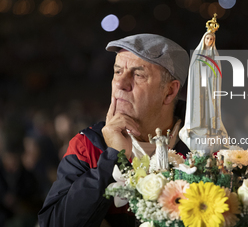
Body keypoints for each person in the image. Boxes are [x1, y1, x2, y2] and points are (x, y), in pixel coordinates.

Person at [38, 34, 190, 227]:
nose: (120, 84)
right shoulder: (87, 145)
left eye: (138, 74)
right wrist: (111, 159)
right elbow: (52, 224)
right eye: (117, 72)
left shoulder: (207, 147)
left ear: (169, 91)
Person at [180, 14, 228, 153]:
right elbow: (195, 70)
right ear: (204, 39)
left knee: (209, 107)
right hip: (199, 87)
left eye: (212, 39)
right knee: (200, 106)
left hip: (210, 87)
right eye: (208, 38)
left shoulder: (215, 56)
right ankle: (198, 126)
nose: (209, 40)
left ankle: (209, 127)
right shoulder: (197, 54)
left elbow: (217, 74)